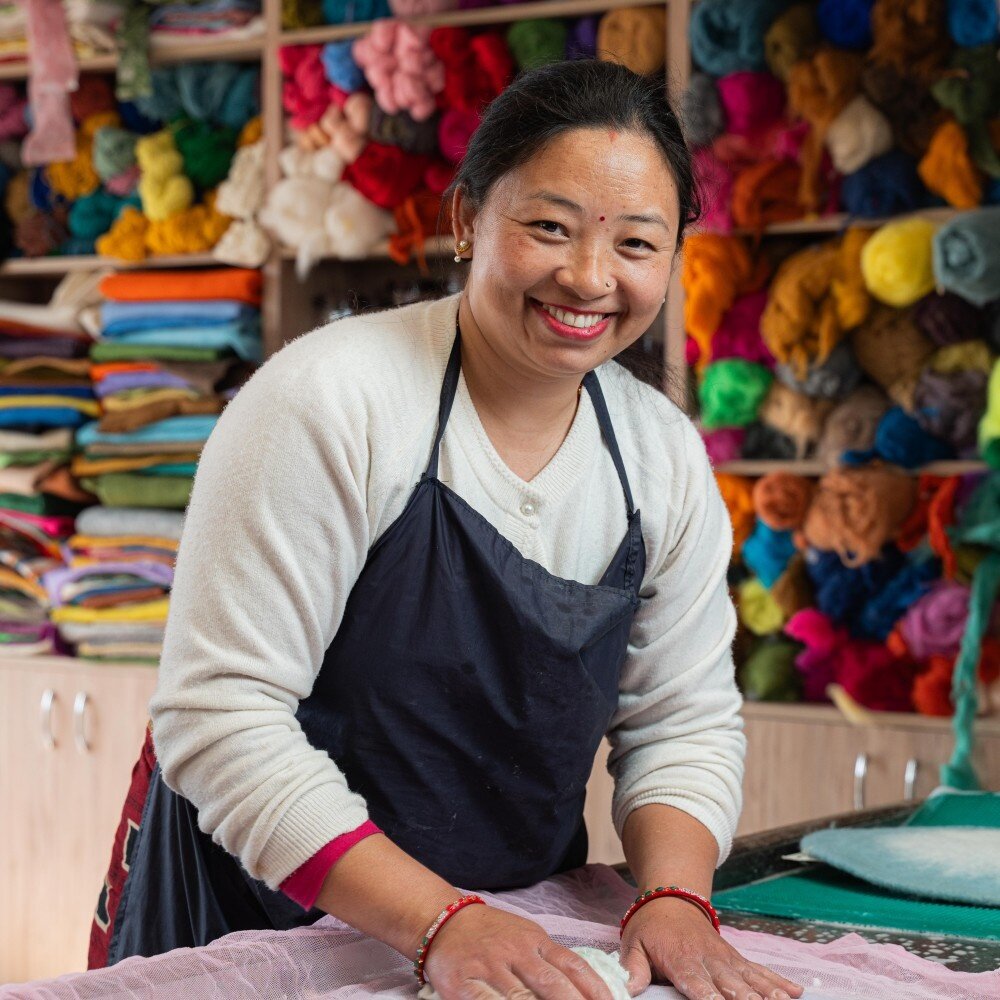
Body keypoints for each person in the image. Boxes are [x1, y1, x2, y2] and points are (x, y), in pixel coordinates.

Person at [90, 60, 802, 1000]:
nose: (589, 277)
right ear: (466, 220)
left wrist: (672, 899)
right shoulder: (331, 401)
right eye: (549, 227)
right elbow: (220, 718)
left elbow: (680, 718)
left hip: (506, 929)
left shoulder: (659, 454)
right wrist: (438, 923)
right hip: (255, 925)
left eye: (636, 243)